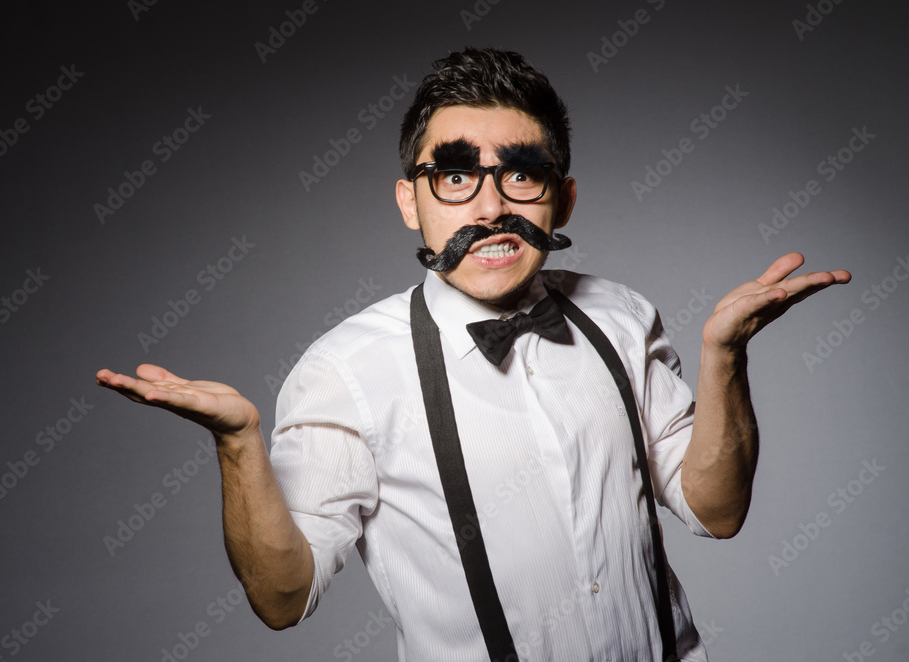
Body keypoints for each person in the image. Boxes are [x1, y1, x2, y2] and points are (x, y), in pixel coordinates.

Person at [96, 48, 850, 661]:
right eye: (455, 175)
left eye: (520, 173)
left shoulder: (620, 317)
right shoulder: (346, 372)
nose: (490, 208)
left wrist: (724, 360)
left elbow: (717, 513)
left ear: (563, 198)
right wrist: (237, 447)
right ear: (409, 202)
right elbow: (282, 600)